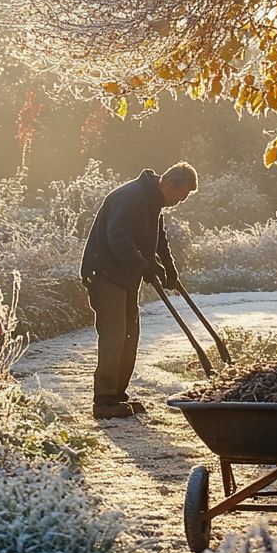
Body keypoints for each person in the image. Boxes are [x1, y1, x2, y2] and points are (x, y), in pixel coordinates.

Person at [80, 162, 198, 419]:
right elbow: (118, 236)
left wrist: (168, 268)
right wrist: (143, 266)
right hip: (105, 274)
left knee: (130, 336)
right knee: (114, 337)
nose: (180, 201)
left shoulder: (153, 201)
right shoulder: (131, 197)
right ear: (167, 183)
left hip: (124, 277)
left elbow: (159, 238)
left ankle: (117, 396)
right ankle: (104, 402)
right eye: (181, 194)